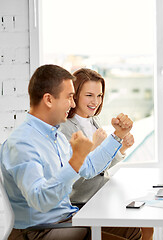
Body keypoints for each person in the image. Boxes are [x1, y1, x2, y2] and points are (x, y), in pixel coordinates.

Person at [0, 64, 141, 240]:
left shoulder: (56, 137)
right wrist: (76, 160)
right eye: (69, 97)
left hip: (65, 220)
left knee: (131, 230)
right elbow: (40, 199)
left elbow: (88, 168)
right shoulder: (22, 143)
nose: (73, 104)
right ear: (49, 100)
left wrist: (117, 136)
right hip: (38, 231)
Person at [59, 68, 153, 240]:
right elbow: (81, 173)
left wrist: (122, 148)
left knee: (147, 223)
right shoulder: (65, 128)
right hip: (83, 201)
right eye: (89, 95)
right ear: (75, 95)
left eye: (99, 95)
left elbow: (100, 164)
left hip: (102, 194)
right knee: (137, 226)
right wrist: (115, 137)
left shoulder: (92, 121)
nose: (95, 101)